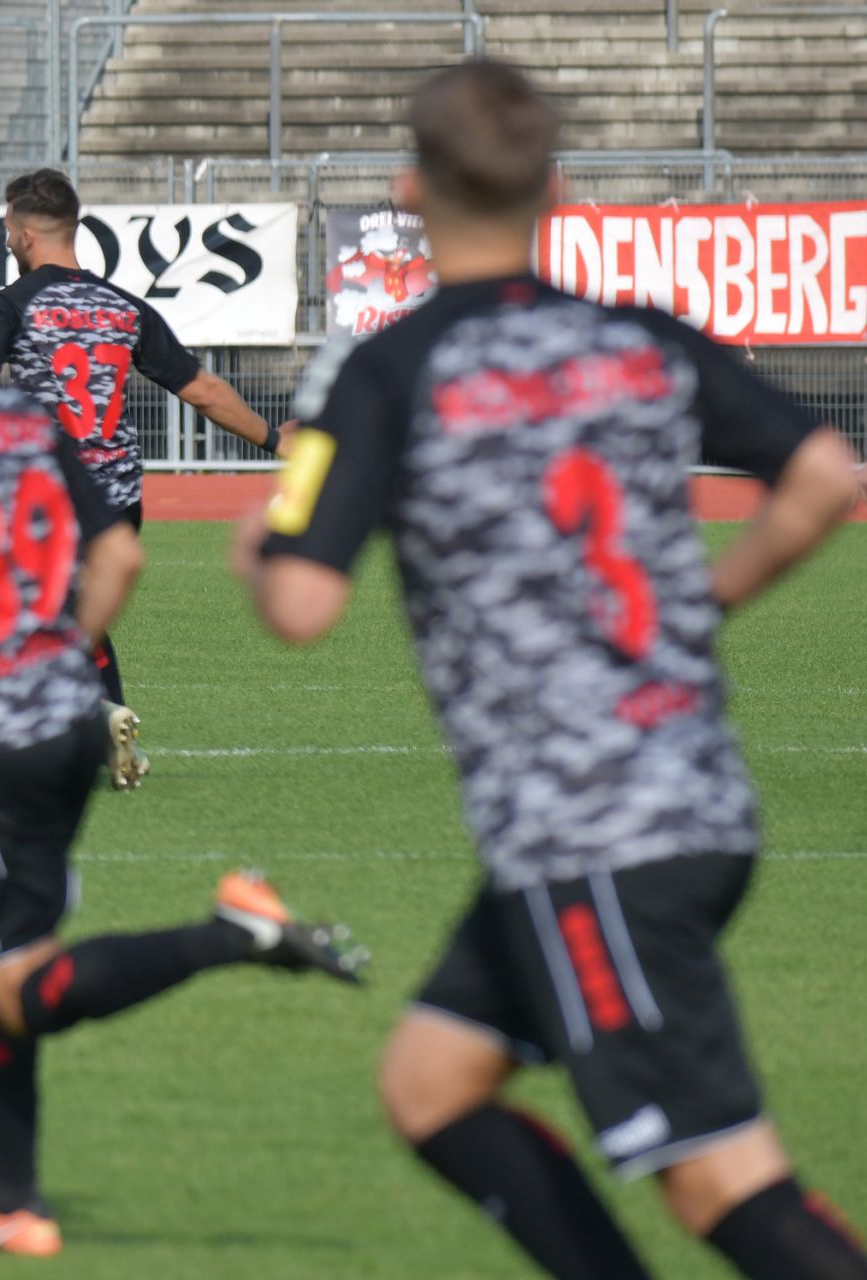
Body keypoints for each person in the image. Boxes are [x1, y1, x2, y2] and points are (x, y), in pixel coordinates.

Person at [236, 59, 867, 1280]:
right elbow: (828, 475)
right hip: (681, 789)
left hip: (593, 832)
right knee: (430, 1082)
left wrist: (260, 552)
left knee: (718, 1179)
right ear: (557, 190)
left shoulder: (395, 368)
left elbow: (305, 604)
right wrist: (704, 600)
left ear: (407, 193)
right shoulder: (636, 337)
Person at [0, 209, 364, 1259]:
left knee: (9, 977)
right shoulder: (23, 420)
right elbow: (118, 561)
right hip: (73, 714)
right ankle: (12, 1197)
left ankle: (234, 930)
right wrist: (54, 649)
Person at [0, 168, 292, 789]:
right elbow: (203, 389)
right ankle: (98, 723)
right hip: (117, 493)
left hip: (45, 489)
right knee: (72, 610)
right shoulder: (123, 306)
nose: (6, 239)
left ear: (28, 234)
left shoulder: (9, 304)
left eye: (8, 229)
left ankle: (48, 731)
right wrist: (274, 439)